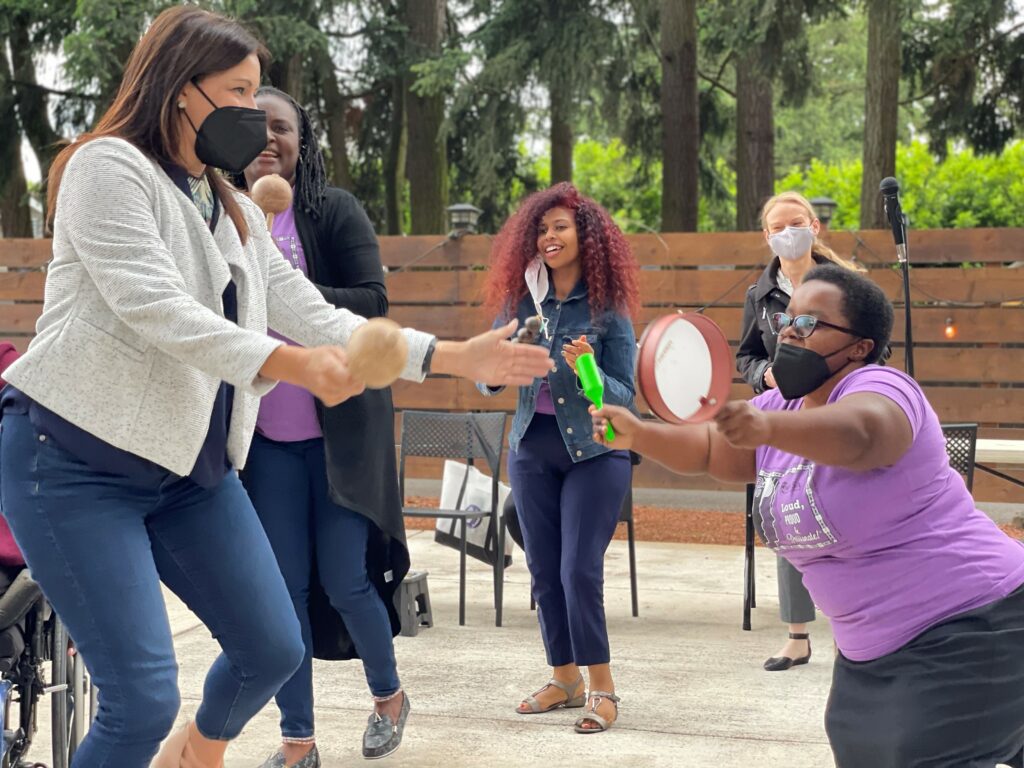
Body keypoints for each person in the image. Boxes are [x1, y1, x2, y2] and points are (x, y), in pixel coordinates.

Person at [0, 8, 552, 768]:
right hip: (70, 462)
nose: (253, 119)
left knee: (271, 649)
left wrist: (456, 356)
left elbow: (318, 313)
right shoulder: (106, 168)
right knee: (141, 699)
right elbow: (155, 307)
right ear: (177, 88)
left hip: (185, 471)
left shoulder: (230, 207)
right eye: (237, 93)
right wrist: (286, 364)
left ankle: (195, 753)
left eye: (260, 99)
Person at [593, 264, 1024, 767]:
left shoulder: (886, 388)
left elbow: (862, 434)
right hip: (873, 654)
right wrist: (639, 434)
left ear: (859, 345)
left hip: (976, 623)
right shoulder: (781, 408)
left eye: (808, 324)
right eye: (786, 321)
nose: (787, 333)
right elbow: (713, 448)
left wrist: (767, 427)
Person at [228, 87, 408, 767]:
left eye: (283, 129)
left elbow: (373, 301)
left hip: (340, 441)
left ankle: (388, 696)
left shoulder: (332, 211)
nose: (269, 139)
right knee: (284, 596)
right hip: (267, 444)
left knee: (345, 581)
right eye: (257, 128)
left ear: (303, 142)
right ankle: (298, 738)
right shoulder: (219, 218)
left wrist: (287, 290)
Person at [480, 183, 640, 734]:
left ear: (586, 237)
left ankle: (602, 686)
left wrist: (589, 372)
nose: (549, 236)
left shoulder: (608, 308)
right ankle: (564, 677)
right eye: (542, 229)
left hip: (596, 451)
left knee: (578, 571)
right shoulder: (522, 300)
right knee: (544, 570)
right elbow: (486, 378)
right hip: (530, 449)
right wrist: (498, 364)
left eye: (561, 228)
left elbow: (626, 394)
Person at [736, 191, 864, 672]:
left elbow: (874, 346)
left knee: (849, 508)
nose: (788, 232)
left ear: (814, 226)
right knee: (788, 512)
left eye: (797, 222)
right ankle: (797, 635)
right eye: (777, 226)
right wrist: (762, 377)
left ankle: (858, 625)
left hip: (838, 408)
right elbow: (746, 355)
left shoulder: (843, 285)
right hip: (784, 418)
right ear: (766, 236)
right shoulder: (759, 294)